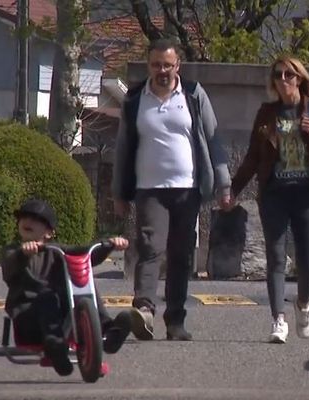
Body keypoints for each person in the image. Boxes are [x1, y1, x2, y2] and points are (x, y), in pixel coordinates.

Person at [112, 38, 231, 341]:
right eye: (156, 65)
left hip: (187, 189)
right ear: (148, 66)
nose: (162, 70)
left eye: (167, 64)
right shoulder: (136, 99)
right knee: (150, 247)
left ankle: (175, 321)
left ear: (177, 65)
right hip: (149, 189)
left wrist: (223, 183)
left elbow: (213, 140)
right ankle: (144, 310)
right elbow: (123, 147)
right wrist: (119, 193)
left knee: (180, 255)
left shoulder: (193, 94)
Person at [225, 56, 309, 343]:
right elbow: (253, 157)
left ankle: (303, 303)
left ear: (300, 78)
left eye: (289, 74)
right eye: (277, 75)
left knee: (307, 262)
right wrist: (233, 189)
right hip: (275, 193)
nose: (283, 79)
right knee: (276, 258)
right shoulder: (267, 114)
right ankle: (278, 319)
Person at [0, 198, 133, 376]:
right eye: (24, 218)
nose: (28, 222)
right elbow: (10, 266)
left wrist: (109, 245)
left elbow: (85, 253)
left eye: (36, 219)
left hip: (62, 326)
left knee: (83, 285)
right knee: (47, 296)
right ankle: (54, 345)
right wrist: (24, 253)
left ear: (49, 233)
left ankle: (108, 332)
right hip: (28, 321)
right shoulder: (13, 251)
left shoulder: (56, 251)